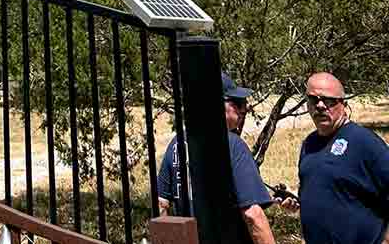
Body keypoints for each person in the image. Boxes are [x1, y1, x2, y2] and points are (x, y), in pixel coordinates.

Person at [157, 72, 276, 244]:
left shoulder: (176, 144)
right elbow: (253, 215)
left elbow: (161, 205)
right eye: (237, 103)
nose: (244, 109)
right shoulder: (233, 145)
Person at [291, 72, 389, 244]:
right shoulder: (309, 143)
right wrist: (296, 203)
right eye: (314, 99)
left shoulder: (365, 142)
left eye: (328, 100)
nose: (320, 106)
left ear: (343, 105)